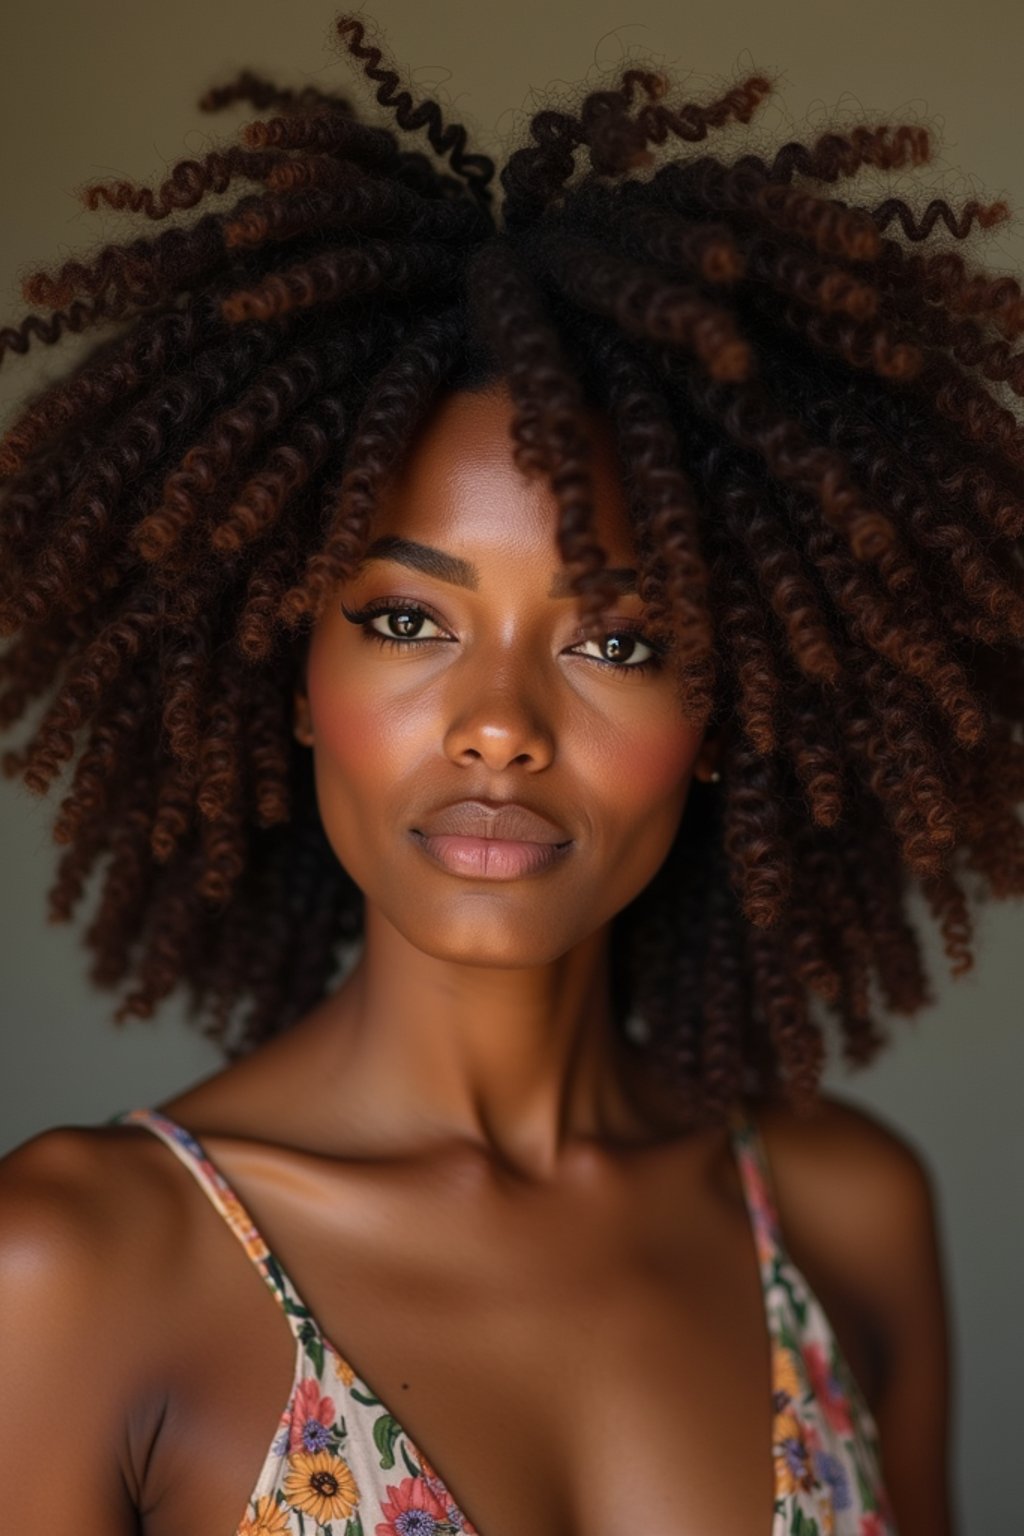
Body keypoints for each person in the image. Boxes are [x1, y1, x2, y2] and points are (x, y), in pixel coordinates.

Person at [12, 6, 1023, 1531]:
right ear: (295, 674)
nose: (499, 724)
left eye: (616, 641)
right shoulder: (79, 1266)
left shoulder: (842, 1216)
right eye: (406, 619)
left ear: (729, 711)